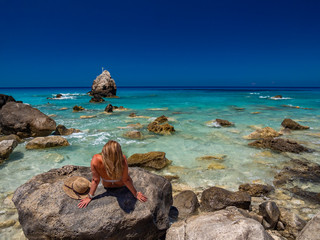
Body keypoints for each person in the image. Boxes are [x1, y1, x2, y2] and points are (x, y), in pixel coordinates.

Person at [78, 140, 147, 208]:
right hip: (121, 185)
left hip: (107, 186)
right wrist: (135, 194)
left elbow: (95, 180)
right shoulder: (122, 159)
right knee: (127, 176)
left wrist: (90, 197)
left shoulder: (95, 159)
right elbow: (126, 180)